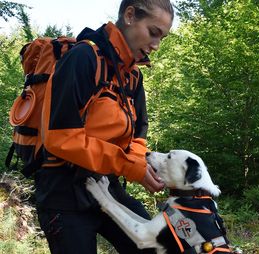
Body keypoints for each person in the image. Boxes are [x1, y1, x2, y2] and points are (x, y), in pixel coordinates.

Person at [35, 1, 174, 253]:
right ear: (130, 15)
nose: (156, 45)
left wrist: (139, 166)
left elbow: (138, 135)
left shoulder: (132, 76)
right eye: (153, 32)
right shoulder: (83, 58)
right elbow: (59, 137)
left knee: (159, 246)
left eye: (162, 37)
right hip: (63, 191)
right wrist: (129, 166)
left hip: (106, 186)